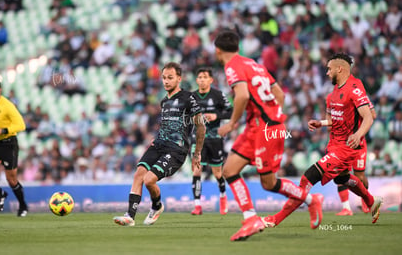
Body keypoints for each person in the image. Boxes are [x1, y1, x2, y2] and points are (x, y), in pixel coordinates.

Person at [214, 30, 321, 242]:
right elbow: (279, 94)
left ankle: (311, 199)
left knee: (269, 183)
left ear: (218, 51)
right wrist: (275, 115)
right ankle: (250, 218)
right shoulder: (254, 64)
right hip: (258, 126)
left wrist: (233, 123)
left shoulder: (232, 66)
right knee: (229, 170)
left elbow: (242, 95)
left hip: (266, 128)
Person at [263, 53, 383, 229]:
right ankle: (372, 200)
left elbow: (369, 117)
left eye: (329, 69)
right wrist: (322, 123)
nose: (326, 73)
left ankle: (275, 219)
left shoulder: (355, 88)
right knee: (342, 179)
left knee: (308, 177)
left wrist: (358, 135)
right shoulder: (334, 93)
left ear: (339, 69)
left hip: (345, 148)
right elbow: (338, 120)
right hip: (334, 145)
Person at [113, 62, 205, 226]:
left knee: (149, 180)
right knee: (139, 173)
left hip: (176, 150)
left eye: (170, 78)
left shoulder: (188, 98)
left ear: (179, 79)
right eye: (164, 78)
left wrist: (197, 153)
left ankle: (157, 206)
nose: (166, 81)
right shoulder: (164, 102)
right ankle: (130, 216)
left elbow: (201, 126)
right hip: (159, 144)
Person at [190, 67, 233, 215]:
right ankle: (197, 205)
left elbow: (231, 111)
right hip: (198, 140)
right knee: (196, 171)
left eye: (204, 77)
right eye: (199, 77)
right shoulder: (191, 97)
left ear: (210, 80)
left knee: (217, 173)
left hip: (215, 138)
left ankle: (222, 196)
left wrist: (217, 116)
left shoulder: (218, 95)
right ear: (197, 80)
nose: (202, 79)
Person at [0, 78, 28, 217]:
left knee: (11, 179)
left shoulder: (7, 105)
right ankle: (0, 193)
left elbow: (21, 125)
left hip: (8, 144)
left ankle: (23, 206)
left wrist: (3, 130)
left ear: (0, 91)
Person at [332, 93, 377, 216]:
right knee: (340, 172)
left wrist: (359, 118)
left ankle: (365, 197)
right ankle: (346, 208)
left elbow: (373, 115)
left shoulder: (362, 98)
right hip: (342, 143)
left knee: (360, 176)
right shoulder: (338, 98)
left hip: (358, 144)